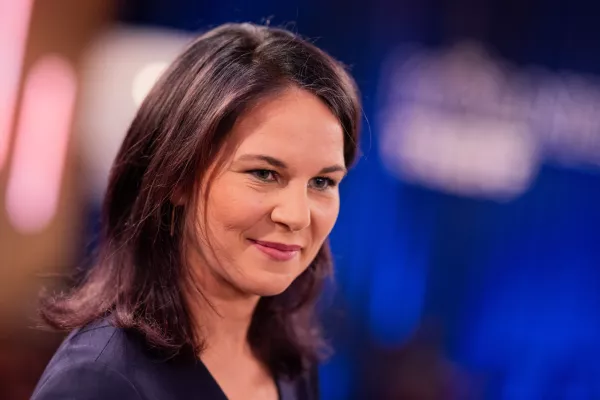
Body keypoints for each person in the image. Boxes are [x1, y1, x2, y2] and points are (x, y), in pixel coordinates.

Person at [31, 22, 360, 400]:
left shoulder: (289, 364)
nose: (297, 216)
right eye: (264, 174)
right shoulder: (100, 380)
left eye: (322, 182)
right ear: (177, 177)